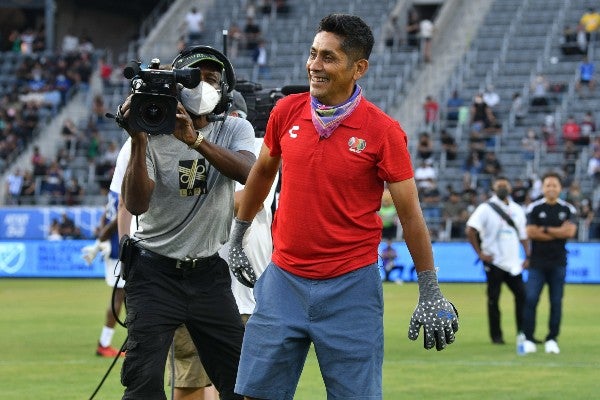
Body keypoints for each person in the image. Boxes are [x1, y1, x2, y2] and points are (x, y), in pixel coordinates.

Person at [227, 14, 459, 400]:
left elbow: (410, 214)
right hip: (283, 281)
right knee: (257, 396)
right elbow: (262, 175)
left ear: (358, 68)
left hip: (352, 288)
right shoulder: (286, 112)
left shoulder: (384, 131)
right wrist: (238, 235)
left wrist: (429, 287)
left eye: (328, 58)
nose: (314, 66)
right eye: (313, 54)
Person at [115, 45, 256, 400]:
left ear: (225, 89)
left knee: (244, 381)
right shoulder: (150, 129)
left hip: (208, 273)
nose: (203, 86)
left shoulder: (234, 129)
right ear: (176, 84)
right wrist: (137, 140)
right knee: (143, 384)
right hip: (154, 273)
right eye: (195, 78)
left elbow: (247, 174)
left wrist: (195, 140)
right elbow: (135, 203)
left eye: (211, 79)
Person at [466, 176, 529, 345]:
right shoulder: (485, 208)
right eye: (499, 185)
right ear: (494, 188)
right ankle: (496, 336)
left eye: (505, 185)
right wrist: (480, 253)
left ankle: (523, 333)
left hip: (513, 262)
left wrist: (527, 255)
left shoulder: (517, 209)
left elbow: (523, 235)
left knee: (522, 296)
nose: (503, 187)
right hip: (494, 261)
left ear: (510, 188)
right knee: (494, 299)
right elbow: (470, 230)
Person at [522, 172, 577, 354]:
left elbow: (569, 232)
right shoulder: (534, 208)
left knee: (556, 302)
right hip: (537, 263)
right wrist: (555, 231)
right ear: (543, 187)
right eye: (548, 185)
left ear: (560, 188)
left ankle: (552, 339)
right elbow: (530, 232)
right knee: (531, 300)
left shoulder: (568, 209)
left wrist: (543, 230)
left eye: (554, 185)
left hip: (558, 263)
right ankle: (528, 338)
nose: (551, 188)